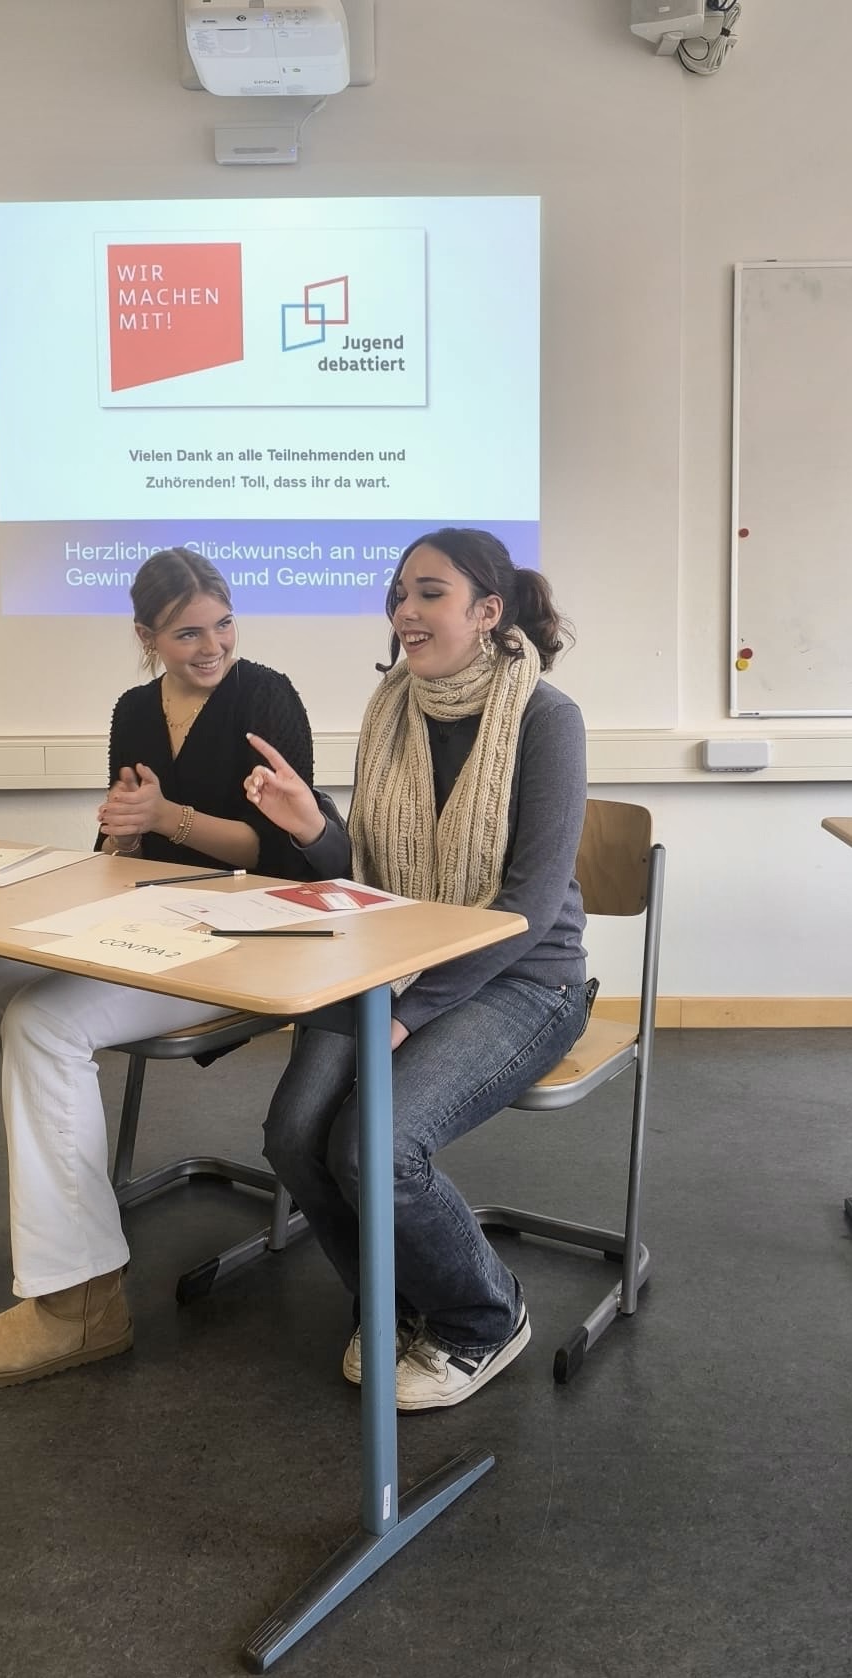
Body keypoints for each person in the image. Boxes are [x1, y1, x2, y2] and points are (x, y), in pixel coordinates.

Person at [0, 547, 315, 1388]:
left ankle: (81, 1301)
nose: (212, 646)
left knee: (42, 1020)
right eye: (188, 633)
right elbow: (124, 843)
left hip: (241, 931)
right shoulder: (133, 709)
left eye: (223, 624)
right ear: (146, 637)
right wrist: (114, 840)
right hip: (141, 917)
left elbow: (283, 853)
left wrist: (167, 817)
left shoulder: (266, 696)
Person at [243, 527, 589, 1411]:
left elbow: (527, 907)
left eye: (429, 593)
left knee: (374, 1147)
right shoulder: (391, 710)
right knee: (293, 1135)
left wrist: (409, 1010)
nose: (405, 610)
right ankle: (391, 1303)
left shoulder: (546, 719)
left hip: (524, 979)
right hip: (396, 958)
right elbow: (368, 880)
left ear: (487, 611)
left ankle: (482, 1318)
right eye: (399, 593)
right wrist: (307, 826)